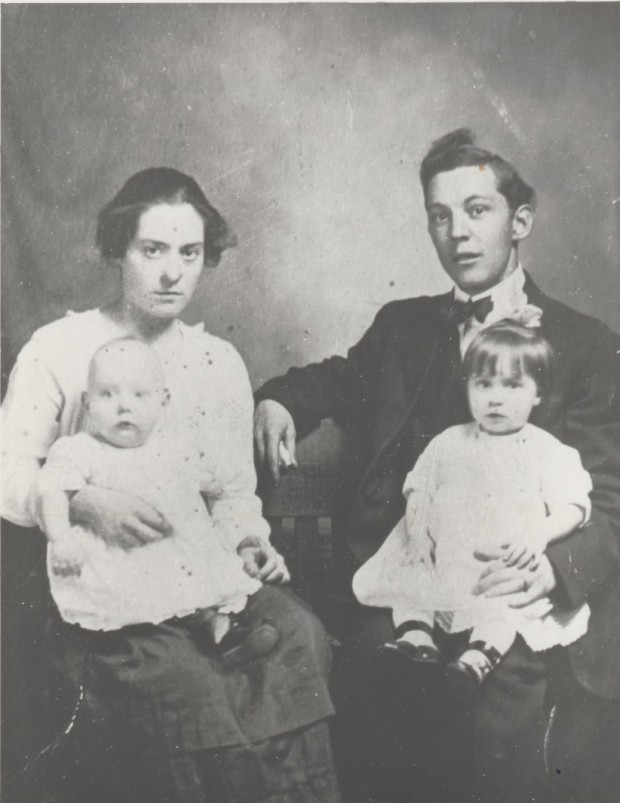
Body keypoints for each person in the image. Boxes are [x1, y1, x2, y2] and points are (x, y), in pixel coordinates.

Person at [254, 130, 620, 802]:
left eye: (477, 210)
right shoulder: (405, 326)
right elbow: (337, 379)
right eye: (440, 215)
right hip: (410, 588)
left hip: (518, 591)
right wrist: (279, 399)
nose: (458, 233)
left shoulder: (587, 345)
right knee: (373, 696)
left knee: (498, 725)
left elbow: (609, 501)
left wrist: (551, 568)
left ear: (521, 222)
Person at [1, 167, 342, 803]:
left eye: (189, 253)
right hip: (107, 591)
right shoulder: (59, 350)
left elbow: (234, 494)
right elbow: (9, 477)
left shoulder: (218, 364)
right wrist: (84, 503)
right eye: (151, 250)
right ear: (116, 250)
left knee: (299, 637)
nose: (171, 273)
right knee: (194, 686)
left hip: (203, 579)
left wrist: (247, 541)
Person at [353, 313, 592, 699]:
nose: (495, 397)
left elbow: (575, 505)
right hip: (440, 555)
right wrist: (416, 534)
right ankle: (417, 640)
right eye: (483, 384)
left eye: (512, 385)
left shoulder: (547, 451)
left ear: (537, 393)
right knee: (411, 589)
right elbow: (419, 489)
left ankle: (478, 659)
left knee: (504, 609)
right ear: (468, 388)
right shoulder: (449, 442)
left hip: (496, 567)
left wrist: (538, 534)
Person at [39, 337, 280, 665]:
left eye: (139, 395)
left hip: (177, 561)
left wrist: (243, 534)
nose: (124, 406)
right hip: (118, 570)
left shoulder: (178, 448)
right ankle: (209, 642)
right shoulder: (80, 450)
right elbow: (51, 490)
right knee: (144, 621)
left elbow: (229, 484)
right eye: (107, 394)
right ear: (87, 402)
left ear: (163, 402)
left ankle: (223, 635)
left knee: (202, 590)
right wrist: (61, 537)